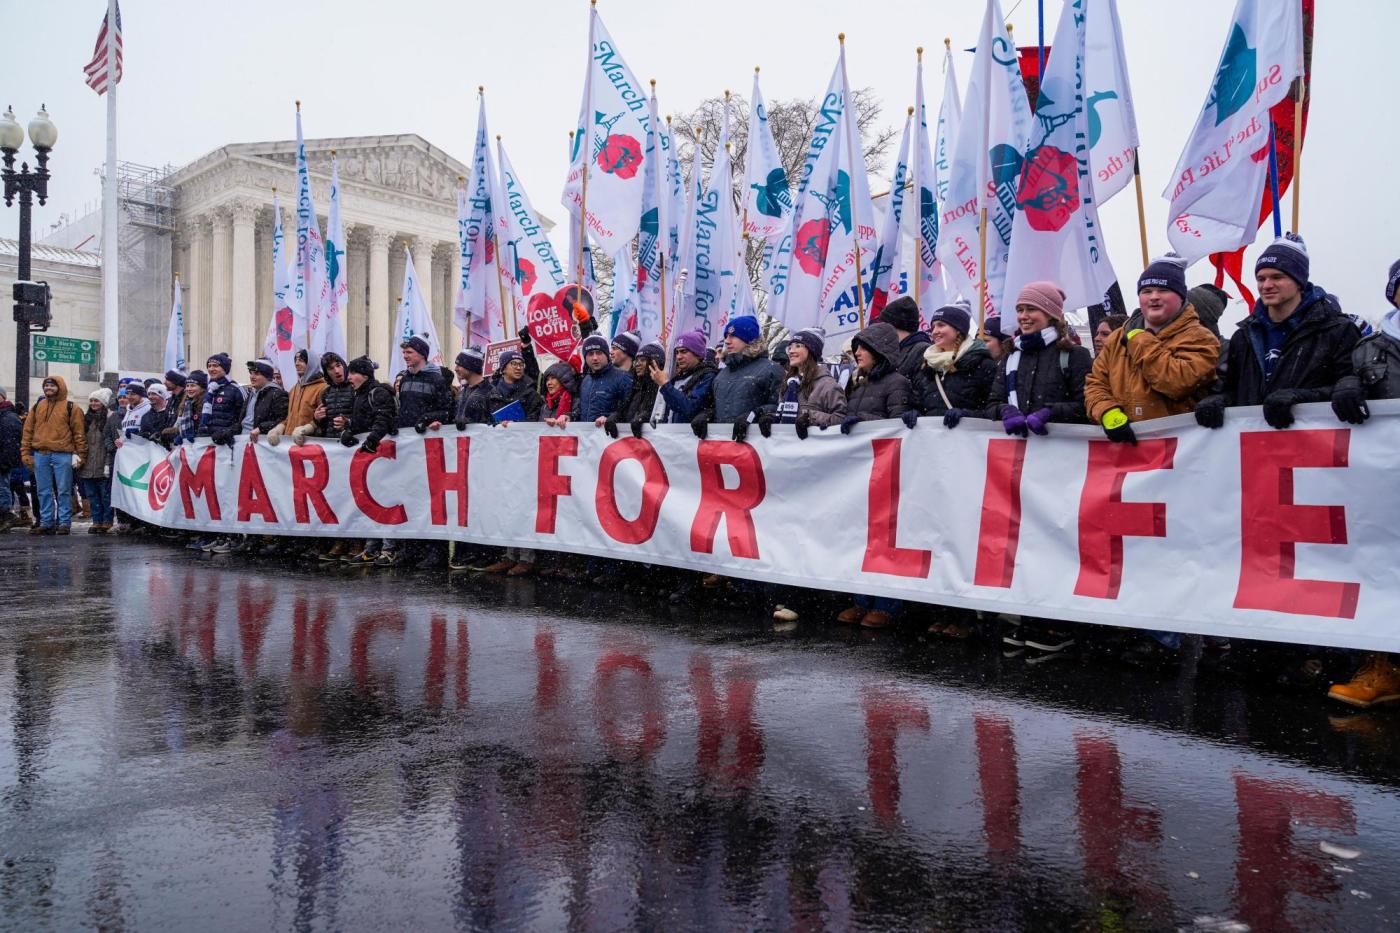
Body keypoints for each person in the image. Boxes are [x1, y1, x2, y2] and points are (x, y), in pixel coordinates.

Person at [1084, 256, 1222, 667]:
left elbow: (1175, 380)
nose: (1153, 297)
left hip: (1178, 463)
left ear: (1179, 296)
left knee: (1174, 548)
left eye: (1161, 290)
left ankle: (1173, 638)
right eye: (1146, 290)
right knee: (1134, 546)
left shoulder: (1199, 337)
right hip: (1129, 460)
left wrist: (1141, 340)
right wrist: (1107, 412)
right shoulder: (1119, 339)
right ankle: (1144, 627)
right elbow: (1095, 382)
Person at [983, 282, 1092, 655]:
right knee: (1024, 541)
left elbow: (1085, 404)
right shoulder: (1010, 358)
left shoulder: (1073, 357)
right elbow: (994, 402)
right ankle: (1029, 618)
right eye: (1020, 310)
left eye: (1032, 309)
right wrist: (1006, 412)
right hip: (1021, 466)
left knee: (1058, 541)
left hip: (1061, 467)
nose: (1024, 317)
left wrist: (1052, 414)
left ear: (1052, 315)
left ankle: (1057, 623)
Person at [1323, 260, 1400, 708]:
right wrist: (1346, 384)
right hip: (1384, 478)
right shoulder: (1368, 350)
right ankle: (1383, 666)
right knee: (1381, 566)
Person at [1194, 234, 1360, 431]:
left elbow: (1349, 386)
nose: (1266, 285)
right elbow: (1234, 390)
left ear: (1299, 281)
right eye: (1261, 278)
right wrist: (1219, 400)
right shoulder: (1244, 336)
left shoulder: (1337, 330)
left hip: (1313, 444)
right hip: (1256, 445)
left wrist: (1302, 398)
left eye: (1277, 277)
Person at [832, 322, 913, 629]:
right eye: (856, 347)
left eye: (863, 347)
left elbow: (896, 426)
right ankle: (861, 600)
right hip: (861, 472)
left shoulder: (897, 383)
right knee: (861, 537)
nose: (857, 352)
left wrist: (862, 419)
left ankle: (887, 604)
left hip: (886, 471)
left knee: (884, 537)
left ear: (879, 351)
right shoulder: (858, 383)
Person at [768, 327, 847, 627]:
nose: (791, 350)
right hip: (789, 468)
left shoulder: (826, 385)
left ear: (812, 350)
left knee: (806, 533)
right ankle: (787, 593)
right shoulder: (788, 383)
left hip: (815, 471)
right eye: (790, 345)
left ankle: (805, 600)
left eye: (799, 345)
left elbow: (841, 419)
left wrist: (811, 418)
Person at [477, 349, 543, 576]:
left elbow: (535, 421)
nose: (518, 367)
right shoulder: (492, 393)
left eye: (521, 363)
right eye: (513, 363)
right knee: (506, 504)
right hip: (501, 456)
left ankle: (526, 557)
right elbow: (485, 421)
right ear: (503, 367)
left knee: (523, 505)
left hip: (524, 456)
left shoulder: (531, 393)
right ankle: (509, 554)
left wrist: (517, 426)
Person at [909, 300, 998, 435]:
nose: (935, 331)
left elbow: (994, 409)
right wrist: (914, 413)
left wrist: (966, 415)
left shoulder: (982, 364)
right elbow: (919, 404)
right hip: (933, 446)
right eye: (933, 327)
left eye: (941, 325)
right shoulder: (927, 365)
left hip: (969, 445)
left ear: (958, 330)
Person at [697, 315, 783, 441]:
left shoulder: (772, 370)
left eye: (733, 336)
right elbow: (717, 407)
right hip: (724, 447)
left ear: (748, 339)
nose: (727, 341)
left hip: (757, 448)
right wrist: (706, 414)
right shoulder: (721, 375)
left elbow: (782, 407)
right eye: (726, 336)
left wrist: (759, 413)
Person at [19, 375, 86, 535]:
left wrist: (81, 454)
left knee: (63, 490)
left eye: (52, 386)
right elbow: (27, 432)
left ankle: (64, 523)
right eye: (46, 386)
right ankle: (46, 521)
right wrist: (25, 453)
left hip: (63, 454)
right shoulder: (37, 407)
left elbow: (79, 433)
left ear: (60, 387)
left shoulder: (72, 407)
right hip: (41, 454)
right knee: (43, 490)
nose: (48, 388)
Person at [658, 329, 718, 424]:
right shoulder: (676, 379)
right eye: (677, 352)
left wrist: (665, 385)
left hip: (689, 437)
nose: (678, 357)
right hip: (670, 436)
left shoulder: (708, 376)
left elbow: (690, 408)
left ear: (697, 354)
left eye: (684, 351)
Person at [606, 341, 665, 438]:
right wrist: (615, 416)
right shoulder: (636, 388)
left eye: (642, 360)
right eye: (636, 361)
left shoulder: (662, 389)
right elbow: (625, 412)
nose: (637, 364)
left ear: (654, 362)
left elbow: (663, 416)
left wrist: (645, 417)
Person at [78, 389, 115, 534]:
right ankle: (96, 520)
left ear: (103, 403)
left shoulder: (109, 419)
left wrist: (107, 463)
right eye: (92, 401)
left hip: (102, 463)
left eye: (96, 401)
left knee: (105, 496)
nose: (93, 403)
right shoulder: (85, 419)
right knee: (92, 496)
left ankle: (107, 521)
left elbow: (108, 444)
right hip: (87, 465)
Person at [269, 349, 325, 445]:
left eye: (301, 360)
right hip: (290, 445)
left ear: (312, 363)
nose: (297, 364)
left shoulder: (322, 388)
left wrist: (307, 429)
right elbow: (290, 417)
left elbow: (323, 419)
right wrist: (280, 427)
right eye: (296, 360)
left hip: (308, 445)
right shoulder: (294, 389)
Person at [579, 334, 634, 424]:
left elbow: (630, 411)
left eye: (599, 353)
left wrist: (611, 419)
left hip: (613, 436)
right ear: (585, 358)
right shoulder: (585, 380)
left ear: (607, 355)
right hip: (587, 437)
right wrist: (569, 416)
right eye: (590, 354)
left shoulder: (623, 378)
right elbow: (581, 410)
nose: (595, 358)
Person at [877, 295, 933, 380]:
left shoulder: (922, 350)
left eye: (884, 323)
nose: (881, 328)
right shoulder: (896, 349)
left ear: (892, 325)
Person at [198, 353, 245, 445]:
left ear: (225, 368)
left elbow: (243, 418)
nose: (211, 369)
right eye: (209, 366)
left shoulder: (236, 389)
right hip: (207, 442)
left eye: (215, 366)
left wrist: (227, 433)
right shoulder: (209, 390)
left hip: (228, 443)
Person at [243, 358, 289, 443]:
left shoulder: (278, 394)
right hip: (243, 442)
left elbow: (282, 421)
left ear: (266, 376)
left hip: (262, 444)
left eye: (256, 373)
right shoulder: (251, 393)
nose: (252, 377)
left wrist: (261, 428)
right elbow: (242, 421)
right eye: (251, 373)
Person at [0, 385, 23, 531]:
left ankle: (5, 517)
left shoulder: (8, 416)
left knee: (2, 489)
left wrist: (4, 461)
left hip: (2, 461)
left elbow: (13, 442)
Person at [453, 347, 493, 428]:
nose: (455, 369)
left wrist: (470, 423)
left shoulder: (489, 391)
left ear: (471, 367)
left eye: (459, 365)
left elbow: (495, 422)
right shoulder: (462, 393)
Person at [541, 360, 580, 426]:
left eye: (553, 378)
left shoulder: (575, 402)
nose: (549, 383)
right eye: (547, 379)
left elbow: (579, 420)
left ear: (563, 381)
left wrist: (568, 417)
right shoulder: (545, 404)